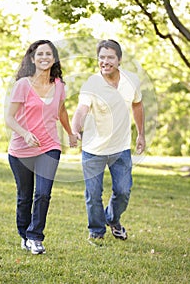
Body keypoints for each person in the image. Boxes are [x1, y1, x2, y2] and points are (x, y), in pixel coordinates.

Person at [5, 40, 77, 255]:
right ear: (32, 58)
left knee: (43, 193)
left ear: (54, 58)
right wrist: (25, 134)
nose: (44, 57)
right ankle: (24, 234)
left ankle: (36, 237)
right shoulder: (23, 85)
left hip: (49, 146)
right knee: (24, 196)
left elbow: (61, 111)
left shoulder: (59, 86)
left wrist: (71, 132)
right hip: (21, 150)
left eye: (49, 54)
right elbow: (9, 118)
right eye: (40, 54)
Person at [72, 39, 145, 244]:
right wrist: (76, 128)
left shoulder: (131, 81)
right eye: (102, 57)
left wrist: (141, 134)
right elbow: (81, 109)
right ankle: (96, 231)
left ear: (119, 60)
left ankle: (112, 219)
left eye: (110, 57)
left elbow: (137, 105)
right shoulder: (92, 83)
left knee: (123, 191)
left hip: (120, 148)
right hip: (93, 149)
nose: (105, 61)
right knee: (93, 194)